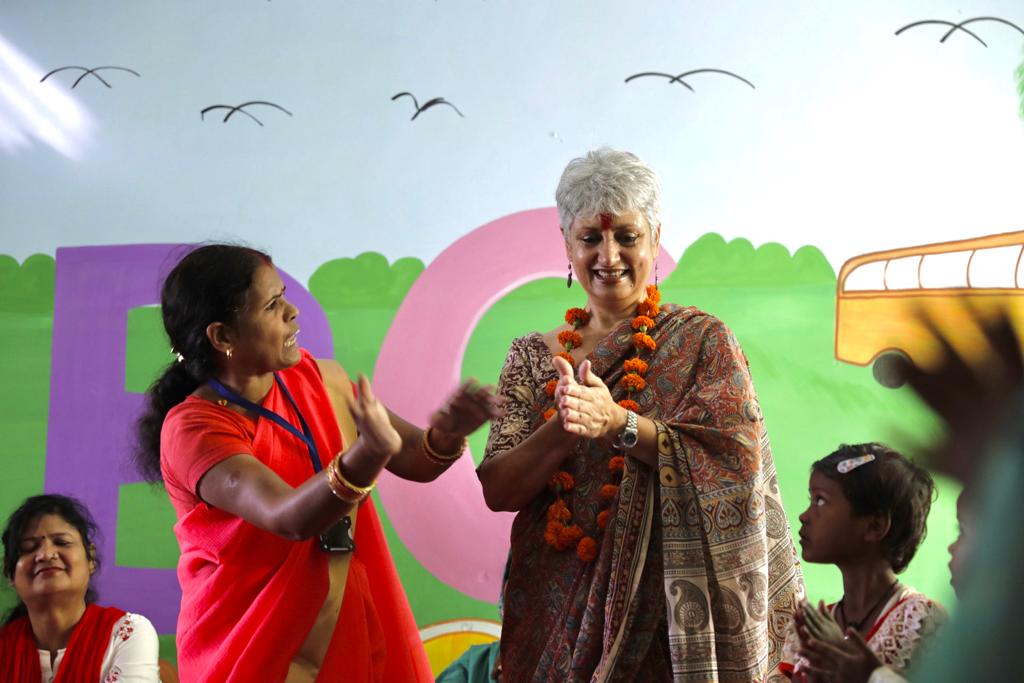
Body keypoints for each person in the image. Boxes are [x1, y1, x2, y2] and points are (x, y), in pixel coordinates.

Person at [477, 148, 804, 681]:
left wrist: (617, 424)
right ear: (566, 245)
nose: (609, 255)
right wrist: (564, 426)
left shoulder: (702, 341)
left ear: (655, 237)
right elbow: (499, 491)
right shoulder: (532, 356)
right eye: (590, 238)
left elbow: (736, 464)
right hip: (551, 614)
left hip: (668, 622)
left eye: (627, 236)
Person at [134, 244, 501, 683]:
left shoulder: (319, 377)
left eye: (284, 296)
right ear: (222, 337)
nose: (292, 312)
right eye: (272, 305)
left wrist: (447, 433)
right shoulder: (192, 428)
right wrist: (365, 457)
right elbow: (286, 516)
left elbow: (418, 458)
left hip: (355, 620)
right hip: (253, 645)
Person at [780, 443, 947, 681]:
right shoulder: (811, 631)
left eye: (820, 501)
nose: (804, 516)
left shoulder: (921, 623)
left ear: (874, 526)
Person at [0, 494, 160, 682]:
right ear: (11, 574)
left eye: (62, 542)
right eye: (29, 548)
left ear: (90, 559)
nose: (46, 554)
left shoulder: (127, 633)